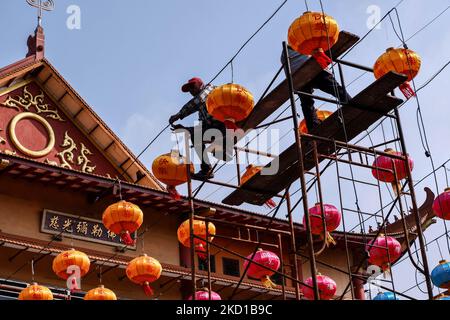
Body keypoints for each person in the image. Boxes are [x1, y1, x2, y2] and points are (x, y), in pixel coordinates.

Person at [169, 77, 228, 180]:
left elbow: (198, 101)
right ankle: (207, 170)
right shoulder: (202, 109)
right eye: (189, 89)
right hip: (216, 129)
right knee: (195, 136)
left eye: (193, 87)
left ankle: (222, 148)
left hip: (226, 124)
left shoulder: (210, 90)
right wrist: (185, 129)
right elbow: (202, 127)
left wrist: (179, 114)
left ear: (201, 85)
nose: (191, 91)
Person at [281, 45, 352, 132]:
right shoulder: (303, 42)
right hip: (314, 69)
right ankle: (351, 103)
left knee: (307, 103)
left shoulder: (284, 54)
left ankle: (313, 125)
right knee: (336, 89)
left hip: (297, 78)